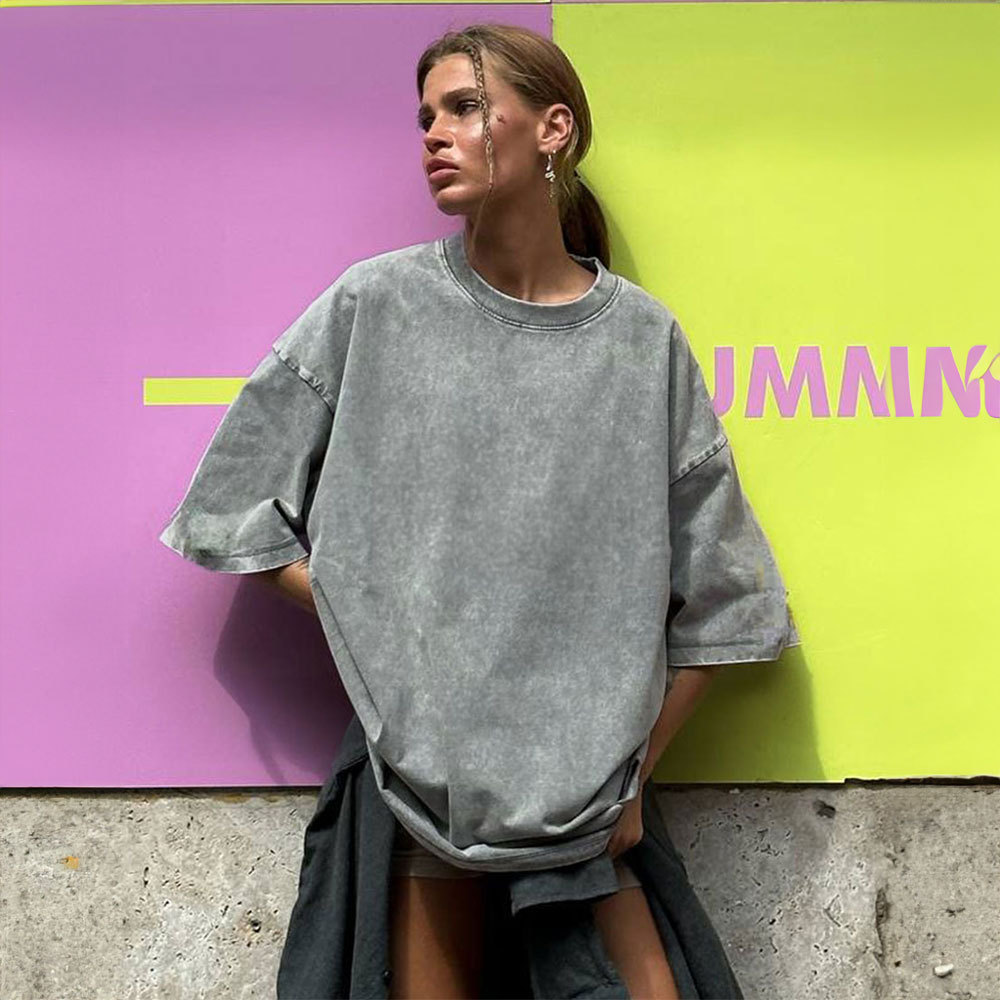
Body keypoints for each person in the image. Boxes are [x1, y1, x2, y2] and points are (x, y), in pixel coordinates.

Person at [158, 23, 800, 999]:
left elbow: (730, 603)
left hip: (592, 803)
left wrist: (637, 775)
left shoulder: (641, 342)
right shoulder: (376, 305)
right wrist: (386, 619)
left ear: (553, 130)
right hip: (424, 786)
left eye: (463, 107)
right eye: (425, 114)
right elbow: (229, 512)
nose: (433, 133)